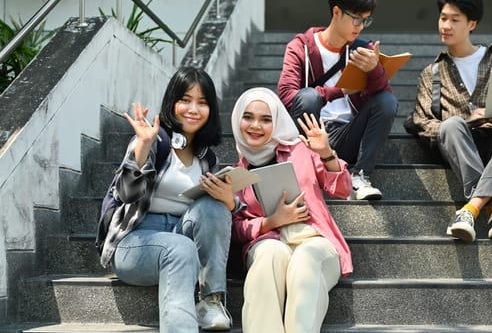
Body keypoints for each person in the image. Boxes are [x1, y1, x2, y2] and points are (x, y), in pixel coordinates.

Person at [99, 67, 238, 332]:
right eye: (185, 99)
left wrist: (229, 200)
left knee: (213, 208)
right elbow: (126, 193)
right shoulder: (154, 140)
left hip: (180, 235)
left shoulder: (206, 158)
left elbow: (220, 217)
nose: (193, 109)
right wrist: (142, 148)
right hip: (136, 241)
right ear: (172, 102)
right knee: (180, 248)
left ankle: (210, 300)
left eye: (202, 102)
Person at [406, 0, 492, 242]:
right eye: (443, 18)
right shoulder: (432, 72)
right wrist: (467, 121)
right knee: (451, 124)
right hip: (460, 147)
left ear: (472, 23)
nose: (446, 25)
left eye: (455, 20)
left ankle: (471, 209)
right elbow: (421, 122)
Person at [230, 87, 353, 333]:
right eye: (248, 117)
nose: (256, 125)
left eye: (266, 119)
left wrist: (327, 154)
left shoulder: (300, 149)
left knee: (304, 260)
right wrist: (271, 221)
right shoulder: (236, 173)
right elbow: (236, 228)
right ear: (237, 120)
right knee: (269, 256)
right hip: (267, 242)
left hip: (314, 238)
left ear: (276, 121)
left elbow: (343, 189)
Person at [277, 0, 398, 200]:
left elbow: (385, 103)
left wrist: (375, 70)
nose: (360, 26)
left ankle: (360, 176)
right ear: (336, 12)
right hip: (311, 135)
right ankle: (306, 169)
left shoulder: (362, 49)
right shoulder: (300, 47)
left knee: (387, 101)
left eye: (365, 20)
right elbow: (286, 96)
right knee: (308, 96)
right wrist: (338, 91)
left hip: (348, 135)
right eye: (356, 19)